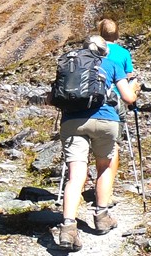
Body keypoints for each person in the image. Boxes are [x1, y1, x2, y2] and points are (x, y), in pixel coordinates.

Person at [54, 35, 140, 252]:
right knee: (104, 167)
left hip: (72, 122)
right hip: (105, 121)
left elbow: (51, 98)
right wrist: (135, 88)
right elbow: (128, 98)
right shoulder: (111, 63)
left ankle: (68, 227)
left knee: (76, 176)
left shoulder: (70, 63)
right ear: (104, 51)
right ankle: (101, 216)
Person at [96, 19, 136, 226]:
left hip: (88, 103)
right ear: (117, 35)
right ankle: (106, 192)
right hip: (113, 104)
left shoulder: (91, 50)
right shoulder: (123, 53)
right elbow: (128, 79)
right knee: (113, 145)